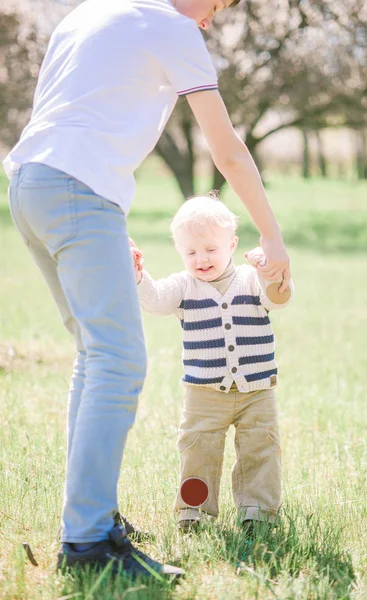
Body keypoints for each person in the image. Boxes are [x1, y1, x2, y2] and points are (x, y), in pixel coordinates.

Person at [3, 0, 290, 578]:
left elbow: (70, 120)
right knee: (117, 359)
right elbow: (227, 149)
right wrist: (272, 237)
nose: (211, 19)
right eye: (217, 4)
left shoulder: (89, 12)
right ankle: (87, 543)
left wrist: (110, 221)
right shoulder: (172, 25)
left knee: (94, 357)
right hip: (76, 193)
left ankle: (91, 521)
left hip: (31, 184)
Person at [132, 195, 293, 531]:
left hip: (257, 389)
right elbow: (156, 301)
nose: (200, 259)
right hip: (204, 391)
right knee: (197, 450)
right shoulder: (183, 286)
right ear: (180, 252)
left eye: (210, 249)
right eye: (190, 252)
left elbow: (278, 299)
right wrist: (138, 277)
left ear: (231, 244)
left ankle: (257, 513)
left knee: (260, 448)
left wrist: (272, 274)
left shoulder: (251, 278)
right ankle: (194, 511)